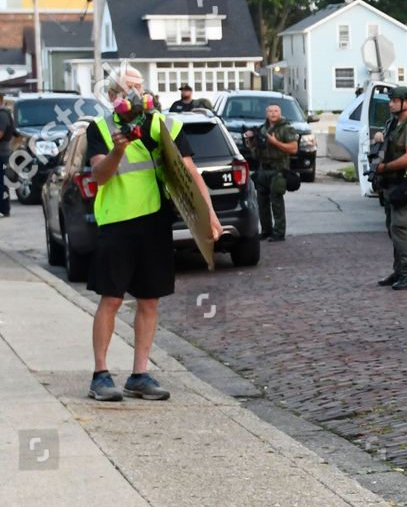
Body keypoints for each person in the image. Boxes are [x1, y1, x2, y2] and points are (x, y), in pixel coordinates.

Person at [86, 67, 222, 401]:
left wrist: (210, 217)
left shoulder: (166, 124)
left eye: (138, 87)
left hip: (155, 222)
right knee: (112, 298)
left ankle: (140, 374)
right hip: (117, 222)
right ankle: (101, 375)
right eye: (127, 89)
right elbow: (100, 176)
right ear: (113, 95)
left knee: (149, 300)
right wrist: (119, 149)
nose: (134, 94)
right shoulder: (101, 129)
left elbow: (190, 173)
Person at [373, 86, 407, 290]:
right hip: (393, 183)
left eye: (395, 100)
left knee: (400, 228)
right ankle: (400, 271)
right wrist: (380, 137)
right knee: (393, 229)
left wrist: (385, 167)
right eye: (391, 100)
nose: (390, 104)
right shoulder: (395, 124)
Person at [249, 103, 297, 242]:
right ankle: (266, 230)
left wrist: (275, 142)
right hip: (263, 169)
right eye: (270, 111)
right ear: (266, 113)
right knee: (261, 201)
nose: (273, 113)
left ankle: (279, 232)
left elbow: (293, 148)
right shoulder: (263, 128)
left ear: (280, 113)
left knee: (276, 200)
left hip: (278, 170)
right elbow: (255, 149)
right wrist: (251, 140)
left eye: (276, 111)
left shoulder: (286, 129)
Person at [0, 90, 15, 217]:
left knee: (1, 183)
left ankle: (4, 209)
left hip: (1, 154)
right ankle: (4, 209)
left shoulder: (2, 115)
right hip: (4, 153)